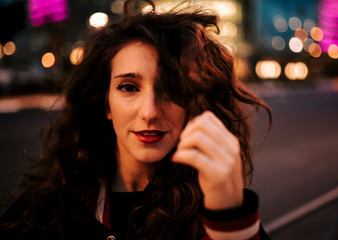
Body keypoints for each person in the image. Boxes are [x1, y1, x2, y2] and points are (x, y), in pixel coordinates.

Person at [0, 0, 272, 239]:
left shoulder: (214, 212)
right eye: (129, 87)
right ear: (105, 103)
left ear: (194, 104)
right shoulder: (47, 208)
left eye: (172, 89)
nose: (150, 111)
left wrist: (230, 216)